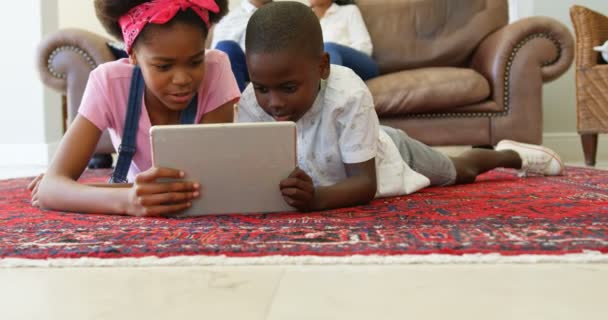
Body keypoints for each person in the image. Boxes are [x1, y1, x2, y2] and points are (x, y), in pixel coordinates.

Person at [237, 1, 565, 212]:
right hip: (325, 177)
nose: (274, 103)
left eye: (289, 88)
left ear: (322, 67)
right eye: (263, 87)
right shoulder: (252, 101)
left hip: (388, 155)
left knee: (459, 171)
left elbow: (365, 185)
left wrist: (317, 199)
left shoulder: (347, 94)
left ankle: (511, 154)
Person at [28, 0, 240, 217]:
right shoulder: (108, 82)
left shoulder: (216, 68)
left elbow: (208, 181)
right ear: (134, 56)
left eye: (195, 62)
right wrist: (128, 201)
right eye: (164, 66)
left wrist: (94, 193)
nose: (182, 79)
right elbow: (49, 188)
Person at [211, 0, 273, 92]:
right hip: (250, 68)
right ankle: (235, 103)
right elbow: (217, 58)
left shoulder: (286, 15)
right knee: (226, 48)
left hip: (280, 63)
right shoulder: (232, 19)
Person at [309, 0, 379, 80]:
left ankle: (329, 86)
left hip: (362, 65)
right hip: (322, 70)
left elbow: (365, 47)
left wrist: (338, 53)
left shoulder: (349, 11)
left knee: (328, 49)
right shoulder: (306, 21)